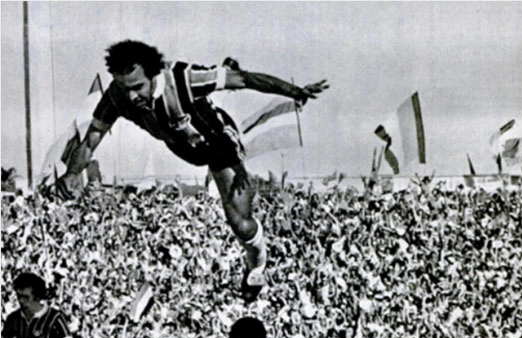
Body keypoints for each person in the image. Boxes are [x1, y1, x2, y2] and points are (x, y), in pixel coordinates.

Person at [59, 40, 329, 302]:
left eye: (137, 87)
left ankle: (256, 266)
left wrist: (295, 92)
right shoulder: (117, 97)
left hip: (217, 143)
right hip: (182, 146)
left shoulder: (183, 78)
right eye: (124, 87)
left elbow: (245, 79)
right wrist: (72, 173)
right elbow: (92, 136)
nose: (131, 95)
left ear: (153, 75)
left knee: (239, 222)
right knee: (175, 136)